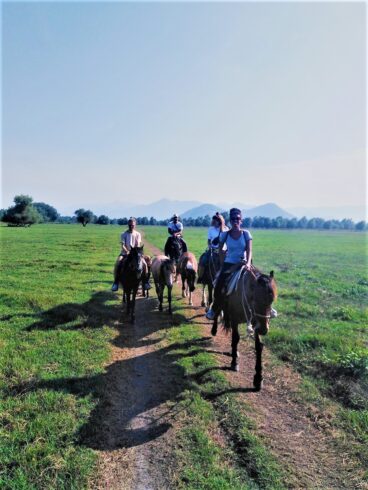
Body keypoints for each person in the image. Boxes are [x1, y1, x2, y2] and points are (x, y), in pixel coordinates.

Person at [111, 217, 150, 292]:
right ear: (128, 225)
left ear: (135, 225)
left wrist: (135, 252)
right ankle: (116, 282)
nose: (131, 226)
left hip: (135, 253)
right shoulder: (124, 234)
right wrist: (127, 251)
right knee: (118, 263)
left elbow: (137, 244)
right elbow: (123, 245)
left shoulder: (138, 234)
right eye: (130, 225)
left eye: (132, 225)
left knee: (144, 264)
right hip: (125, 253)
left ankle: (145, 282)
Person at [197, 212, 228, 283]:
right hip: (213, 249)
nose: (214, 222)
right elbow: (208, 240)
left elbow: (228, 241)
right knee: (203, 260)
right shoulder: (211, 229)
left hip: (223, 251)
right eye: (213, 220)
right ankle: (200, 277)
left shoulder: (226, 229)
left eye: (216, 220)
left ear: (220, 221)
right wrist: (210, 246)